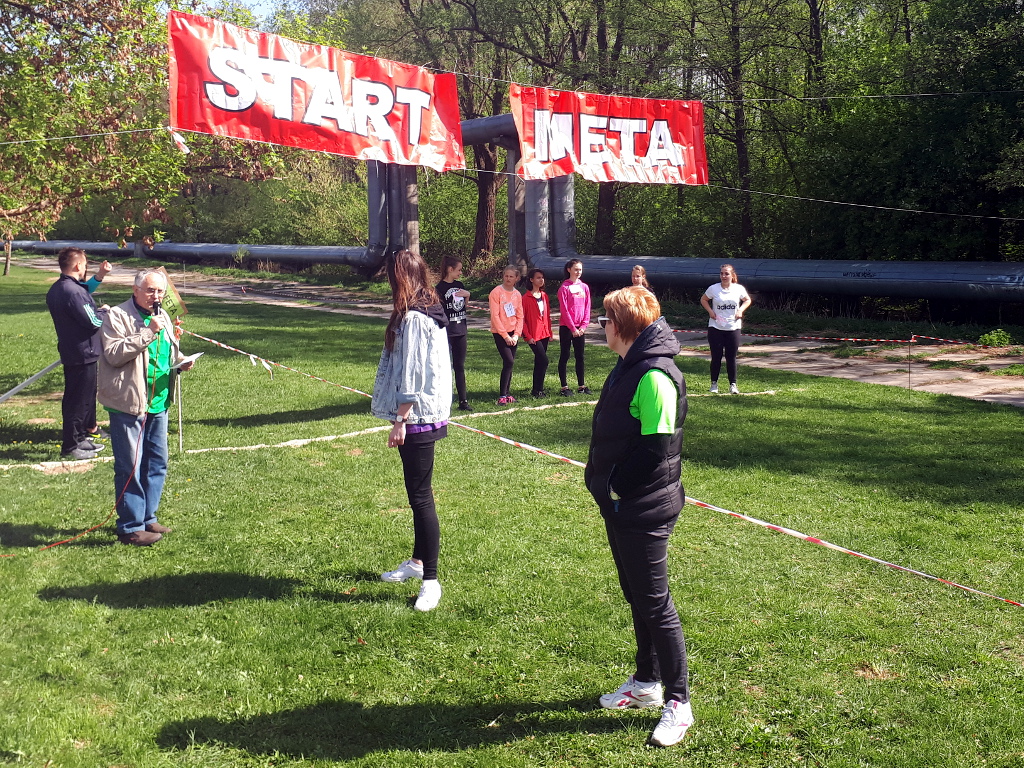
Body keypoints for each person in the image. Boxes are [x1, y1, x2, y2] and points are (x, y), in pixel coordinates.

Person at [585, 285, 694, 748]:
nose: (600, 326)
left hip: (643, 505)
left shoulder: (654, 375)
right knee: (638, 597)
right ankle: (646, 683)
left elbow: (657, 448)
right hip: (623, 506)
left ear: (624, 326)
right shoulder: (627, 365)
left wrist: (616, 486)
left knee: (656, 603)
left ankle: (679, 702)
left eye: (605, 319)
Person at [371, 249, 452, 612]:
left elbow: (414, 372)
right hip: (416, 415)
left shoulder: (418, 318)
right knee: (417, 491)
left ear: (400, 278)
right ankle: (418, 563)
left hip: (418, 418)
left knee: (421, 496)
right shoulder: (415, 310)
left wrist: (400, 420)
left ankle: (431, 582)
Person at [98, 268, 194, 546]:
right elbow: (114, 355)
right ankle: (130, 526)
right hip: (129, 403)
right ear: (136, 289)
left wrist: (182, 360)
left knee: (156, 462)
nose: (156, 296)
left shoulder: (163, 315)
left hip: (159, 401)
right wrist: (147, 332)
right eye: (150, 290)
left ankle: (148, 517)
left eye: (160, 291)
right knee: (130, 466)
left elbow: (169, 350)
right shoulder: (117, 316)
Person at [45, 247, 112, 460]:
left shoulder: (60, 288)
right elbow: (93, 322)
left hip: (76, 351)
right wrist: (104, 311)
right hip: (82, 353)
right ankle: (71, 445)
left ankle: (82, 436)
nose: (85, 267)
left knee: (83, 398)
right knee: (77, 401)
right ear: (77, 265)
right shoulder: (72, 291)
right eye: (84, 264)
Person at [699, 264, 752, 395]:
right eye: (722, 273)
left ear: (732, 275)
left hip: (733, 327)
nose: (724, 276)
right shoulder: (713, 288)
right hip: (716, 327)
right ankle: (714, 384)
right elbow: (704, 300)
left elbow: (747, 300)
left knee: (731, 357)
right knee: (716, 357)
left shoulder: (738, 289)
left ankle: (733, 385)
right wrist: (711, 311)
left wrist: (740, 310)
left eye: (726, 274)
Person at [435, 256, 472, 411]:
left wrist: (467, 295)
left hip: (461, 330)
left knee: (459, 366)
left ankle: (463, 401)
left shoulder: (460, 285)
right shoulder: (439, 288)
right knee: (443, 367)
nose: (460, 273)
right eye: (458, 270)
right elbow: (439, 311)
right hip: (446, 332)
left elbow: (464, 306)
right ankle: (441, 400)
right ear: (450, 269)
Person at [489, 265, 524, 405]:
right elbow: (495, 316)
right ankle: (502, 395)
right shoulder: (496, 292)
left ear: (517, 278)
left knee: (510, 363)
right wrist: (505, 336)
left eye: (511, 276)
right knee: (508, 361)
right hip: (500, 332)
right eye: (506, 276)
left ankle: (508, 393)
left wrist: (516, 334)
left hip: (513, 332)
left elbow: (520, 316)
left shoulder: (517, 294)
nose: (508, 279)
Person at [557, 258, 592, 396]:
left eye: (580, 269)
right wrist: (573, 329)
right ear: (569, 270)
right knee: (565, 355)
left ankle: (581, 385)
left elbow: (587, 307)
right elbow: (564, 310)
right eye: (576, 269)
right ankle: (564, 387)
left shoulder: (585, 287)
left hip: (580, 328)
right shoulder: (564, 288)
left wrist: (583, 326)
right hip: (567, 327)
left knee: (580, 356)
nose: (578, 272)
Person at [522, 268, 553, 397]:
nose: (541, 280)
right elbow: (522, 319)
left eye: (542, 277)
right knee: (544, 360)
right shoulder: (525, 298)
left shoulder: (544, 296)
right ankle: (537, 389)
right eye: (538, 277)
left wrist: (550, 332)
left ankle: (538, 389)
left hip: (544, 334)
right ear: (531, 280)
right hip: (533, 335)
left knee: (539, 362)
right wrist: (528, 337)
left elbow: (547, 316)